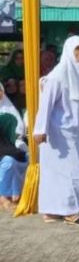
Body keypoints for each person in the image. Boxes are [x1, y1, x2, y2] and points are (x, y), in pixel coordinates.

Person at [33, 35, 79, 225]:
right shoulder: (57, 76)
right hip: (57, 134)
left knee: (68, 172)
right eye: (77, 49)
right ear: (69, 51)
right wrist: (40, 129)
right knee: (70, 172)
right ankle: (71, 211)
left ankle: (54, 210)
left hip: (75, 133)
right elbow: (45, 105)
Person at [0, 82, 26, 210]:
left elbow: (19, 127)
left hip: (7, 146)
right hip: (4, 148)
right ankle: (4, 197)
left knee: (13, 159)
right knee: (9, 161)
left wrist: (15, 136)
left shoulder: (8, 107)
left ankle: (12, 194)